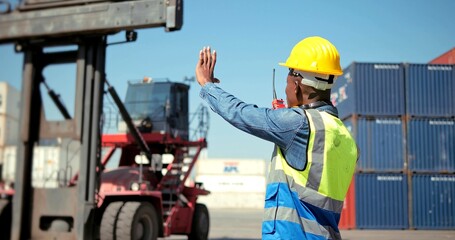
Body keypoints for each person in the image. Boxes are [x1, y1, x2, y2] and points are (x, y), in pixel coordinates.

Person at [195, 36, 358, 240]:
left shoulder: (297, 124)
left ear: (297, 84)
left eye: (287, 81)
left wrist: (207, 85)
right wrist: (287, 118)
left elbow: (242, 114)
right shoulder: (344, 136)